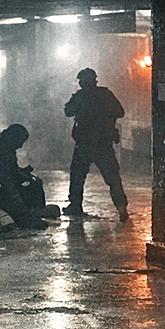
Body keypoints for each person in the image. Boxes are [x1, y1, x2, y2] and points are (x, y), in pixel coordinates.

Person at [64, 67, 128, 222]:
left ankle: (75, 206)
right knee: (112, 177)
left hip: (84, 144)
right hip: (103, 144)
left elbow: (68, 111)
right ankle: (121, 207)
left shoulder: (80, 96)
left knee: (77, 176)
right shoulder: (106, 95)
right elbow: (120, 112)